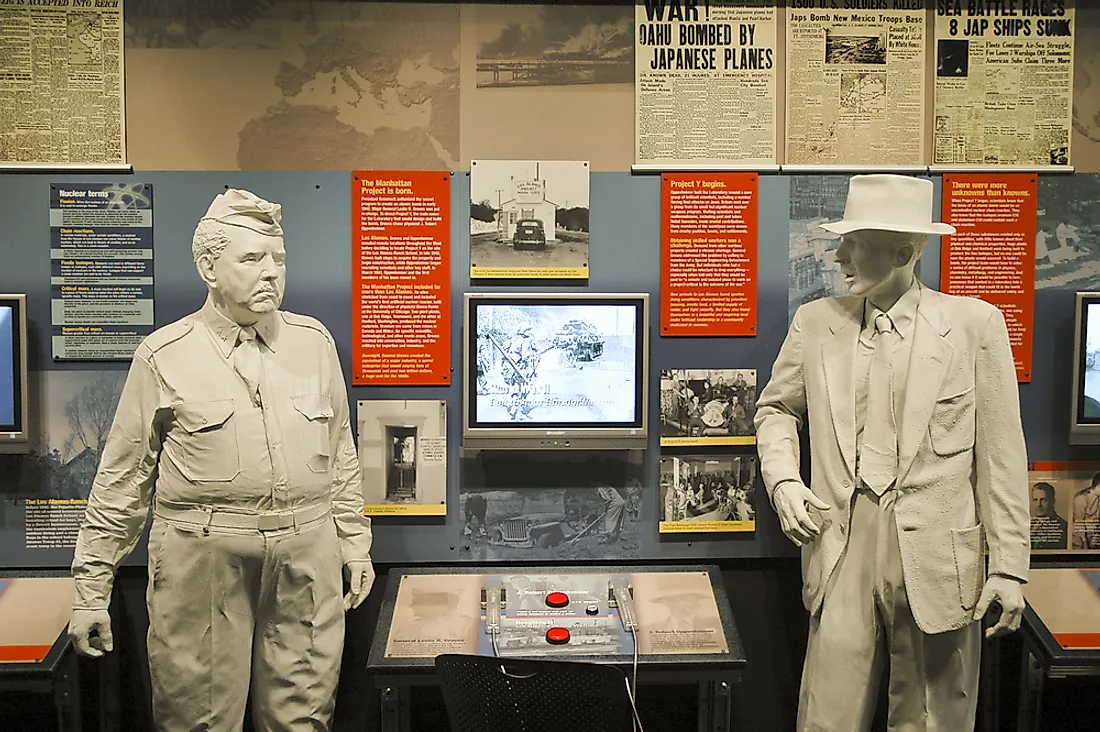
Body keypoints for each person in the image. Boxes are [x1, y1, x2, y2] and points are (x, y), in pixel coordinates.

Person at [69, 189, 375, 732]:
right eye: (252, 258)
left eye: (279, 259)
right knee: (197, 718)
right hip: (202, 560)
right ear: (210, 266)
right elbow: (123, 480)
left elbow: (341, 455)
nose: (272, 273)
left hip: (308, 552)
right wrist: (91, 590)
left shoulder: (313, 344)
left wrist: (353, 543)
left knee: (304, 717)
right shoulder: (166, 354)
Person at [755, 175, 1029, 731]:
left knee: (935, 714)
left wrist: (1010, 567)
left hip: (938, 546)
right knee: (829, 711)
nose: (838, 256)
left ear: (905, 252)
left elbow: (1001, 454)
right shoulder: (816, 324)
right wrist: (784, 481)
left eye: (854, 242)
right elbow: (776, 410)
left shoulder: (974, 325)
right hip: (841, 534)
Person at [1030, 482, 1068, 550]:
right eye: (1035, 500)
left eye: (1043, 500)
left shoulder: (1064, 527)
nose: (1038, 505)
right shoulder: (1026, 525)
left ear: (1053, 501)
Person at [1072, 472, 1100, 550]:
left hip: (1094, 538)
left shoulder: (1098, 496)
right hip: (1081, 540)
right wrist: (1084, 544)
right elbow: (1079, 523)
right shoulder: (1080, 498)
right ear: (1098, 486)